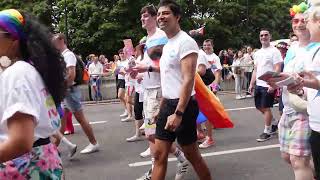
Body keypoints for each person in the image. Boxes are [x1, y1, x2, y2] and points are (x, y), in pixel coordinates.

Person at [0, 9, 63, 178]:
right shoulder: (30, 70)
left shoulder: (17, 74)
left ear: (13, 40)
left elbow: (20, 141)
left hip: (25, 168)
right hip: (42, 163)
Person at [152, 1, 211, 179]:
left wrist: (178, 113)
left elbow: (188, 79)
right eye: (159, 14)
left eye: (166, 13)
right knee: (159, 155)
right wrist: (161, 107)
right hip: (168, 104)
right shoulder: (168, 44)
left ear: (177, 17)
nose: (161, 17)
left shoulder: (186, 42)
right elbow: (169, 81)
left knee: (192, 155)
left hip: (183, 106)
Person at [132, 4, 190, 180]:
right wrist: (139, 73)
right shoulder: (147, 39)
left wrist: (147, 69)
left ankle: (172, 163)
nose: (143, 18)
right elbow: (152, 67)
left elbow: (168, 68)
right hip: (148, 91)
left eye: (146, 16)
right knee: (152, 135)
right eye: (141, 16)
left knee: (153, 134)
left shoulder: (162, 37)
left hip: (160, 92)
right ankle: (178, 160)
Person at [267, 5, 314, 179]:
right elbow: (288, 73)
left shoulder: (317, 47)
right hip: (287, 107)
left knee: (298, 160)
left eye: (304, 20)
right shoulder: (292, 48)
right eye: (296, 20)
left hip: (306, 110)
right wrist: (275, 81)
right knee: (287, 156)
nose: (300, 24)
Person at [52, 33, 99, 154]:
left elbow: (71, 75)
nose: (53, 45)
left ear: (62, 41)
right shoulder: (64, 55)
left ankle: (94, 143)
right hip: (68, 91)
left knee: (80, 118)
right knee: (62, 121)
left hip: (70, 90)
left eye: (55, 42)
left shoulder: (68, 55)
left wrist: (62, 88)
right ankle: (53, 149)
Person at [249, 29, 283, 142]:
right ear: (259, 38)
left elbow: (277, 68)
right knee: (259, 107)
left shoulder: (274, 51)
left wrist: (273, 84)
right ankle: (274, 123)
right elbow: (256, 69)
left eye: (266, 35)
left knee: (266, 108)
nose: (263, 37)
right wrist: (251, 83)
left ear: (270, 36)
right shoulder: (257, 53)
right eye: (261, 35)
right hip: (258, 84)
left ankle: (267, 131)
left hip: (268, 85)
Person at [197, 39, 222, 148]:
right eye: (205, 45)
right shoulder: (200, 55)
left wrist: (215, 86)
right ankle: (200, 132)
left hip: (209, 85)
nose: (206, 46)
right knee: (197, 110)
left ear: (212, 46)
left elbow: (217, 73)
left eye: (208, 45)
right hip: (199, 86)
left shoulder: (214, 58)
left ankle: (209, 138)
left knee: (207, 111)